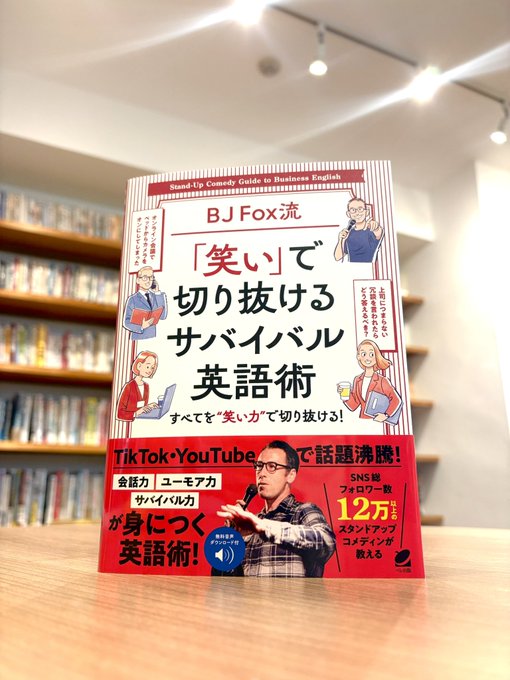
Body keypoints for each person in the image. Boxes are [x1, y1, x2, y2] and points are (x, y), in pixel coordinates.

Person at [216, 440, 336, 577]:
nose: (261, 473)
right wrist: (232, 539)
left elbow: (327, 541)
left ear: (290, 475)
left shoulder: (303, 511)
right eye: (259, 466)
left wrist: (263, 527)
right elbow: (225, 582)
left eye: (272, 466)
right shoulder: (252, 524)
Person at [340, 339, 401, 421]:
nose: (367, 358)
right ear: (358, 357)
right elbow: (353, 405)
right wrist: (345, 395)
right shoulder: (358, 380)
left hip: (377, 421)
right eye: (363, 354)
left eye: (371, 354)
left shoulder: (382, 380)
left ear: (376, 357)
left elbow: (396, 400)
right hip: (362, 420)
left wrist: (386, 415)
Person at [123, 266, 168, 340]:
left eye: (151, 277)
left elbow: (163, 316)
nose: (148, 281)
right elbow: (126, 323)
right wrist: (141, 326)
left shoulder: (156, 296)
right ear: (138, 280)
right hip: (138, 338)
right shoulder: (132, 299)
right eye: (145, 278)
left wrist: (157, 292)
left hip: (153, 337)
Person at [334, 197, 383, 263]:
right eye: (353, 210)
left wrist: (375, 226)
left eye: (360, 209)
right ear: (348, 214)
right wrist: (341, 240)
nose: (357, 213)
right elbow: (337, 257)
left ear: (366, 212)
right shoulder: (349, 233)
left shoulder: (371, 229)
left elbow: (378, 231)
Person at [116, 350, 159, 421]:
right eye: (147, 366)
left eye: (152, 368)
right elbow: (119, 414)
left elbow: (141, 407)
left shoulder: (146, 386)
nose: (150, 370)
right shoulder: (129, 386)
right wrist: (136, 413)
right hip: (130, 421)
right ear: (139, 366)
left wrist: (149, 406)